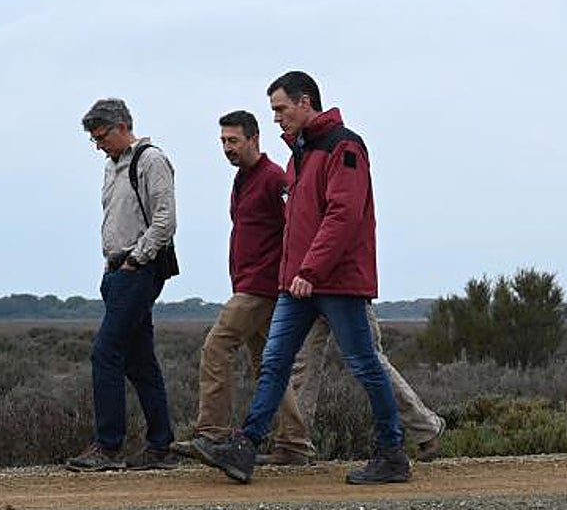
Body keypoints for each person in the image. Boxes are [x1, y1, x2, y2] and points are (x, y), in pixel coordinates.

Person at [192, 71, 411, 485]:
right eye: (273, 110)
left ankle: (392, 453)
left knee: (364, 365)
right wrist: (293, 275)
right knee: (274, 364)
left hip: (337, 282)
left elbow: (342, 215)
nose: (276, 118)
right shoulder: (301, 154)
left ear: (305, 102)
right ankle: (245, 447)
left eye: (281, 109)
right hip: (297, 284)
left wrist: (310, 269)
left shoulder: (343, 146)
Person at [171, 111, 313, 466]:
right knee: (269, 366)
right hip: (251, 283)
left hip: (262, 287)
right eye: (223, 142)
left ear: (254, 139)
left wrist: (297, 275)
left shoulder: (273, 178)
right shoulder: (243, 179)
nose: (227, 148)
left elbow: (297, 226)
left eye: (233, 141)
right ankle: (295, 446)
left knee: (217, 346)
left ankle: (213, 434)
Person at [66, 97, 178, 472]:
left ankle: (108, 446)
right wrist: (113, 265)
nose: (98, 145)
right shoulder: (111, 167)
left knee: (106, 353)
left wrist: (136, 259)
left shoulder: (151, 160)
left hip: (137, 270)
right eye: (94, 140)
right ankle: (161, 447)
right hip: (116, 272)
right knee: (140, 361)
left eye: (101, 137)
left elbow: (165, 220)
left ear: (122, 128)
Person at [291, 308, 446, 462]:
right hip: (308, 296)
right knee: (302, 365)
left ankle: (425, 428)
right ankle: (296, 444)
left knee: (370, 362)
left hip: (345, 294)